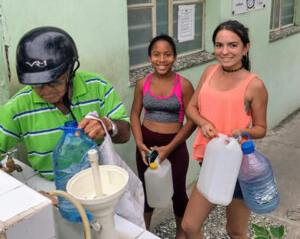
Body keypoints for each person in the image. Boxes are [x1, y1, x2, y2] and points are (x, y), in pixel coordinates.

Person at [0, 26, 130, 180]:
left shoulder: (98, 87)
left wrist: (107, 125)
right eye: (37, 84)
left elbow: (125, 134)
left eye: (55, 81)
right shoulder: (16, 108)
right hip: (54, 190)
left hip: (99, 182)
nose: (46, 90)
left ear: (70, 71)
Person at [181, 20, 268, 239]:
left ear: (245, 48)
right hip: (210, 160)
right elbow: (191, 107)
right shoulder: (209, 71)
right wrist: (203, 122)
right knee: (189, 226)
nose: (225, 51)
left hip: (238, 166)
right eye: (219, 45)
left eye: (232, 45)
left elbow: (261, 128)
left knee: (235, 231)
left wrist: (242, 131)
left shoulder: (254, 85)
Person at [130, 34, 195, 239]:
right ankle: (143, 233)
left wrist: (169, 148)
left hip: (174, 146)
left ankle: (180, 234)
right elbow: (134, 114)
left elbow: (192, 121)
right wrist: (139, 143)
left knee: (178, 192)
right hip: (146, 146)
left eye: (167, 54)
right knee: (146, 189)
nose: (162, 59)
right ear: (150, 57)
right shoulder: (142, 83)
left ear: (174, 57)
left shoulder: (183, 84)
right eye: (156, 54)